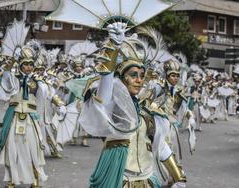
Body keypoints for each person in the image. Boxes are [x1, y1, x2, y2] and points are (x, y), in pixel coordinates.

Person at [79, 23, 186, 188]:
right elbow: (104, 95)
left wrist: (178, 175)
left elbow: (160, 144)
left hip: (147, 179)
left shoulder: (148, 109)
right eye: (133, 75)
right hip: (119, 179)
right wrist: (113, 47)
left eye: (142, 75)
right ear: (122, 78)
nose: (139, 80)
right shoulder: (113, 108)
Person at [0, 56, 49, 188]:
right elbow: (5, 85)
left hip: (30, 117)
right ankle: (12, 178)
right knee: (12, 148)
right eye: (26, 64)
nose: (28, 67)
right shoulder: (13, 78)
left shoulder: (38, 80)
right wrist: (6, 70)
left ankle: (35, 179)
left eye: (31, 64)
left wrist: (59, 103)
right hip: (14, 117)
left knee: (34, 148)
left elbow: (48, 94)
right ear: (20, 65)